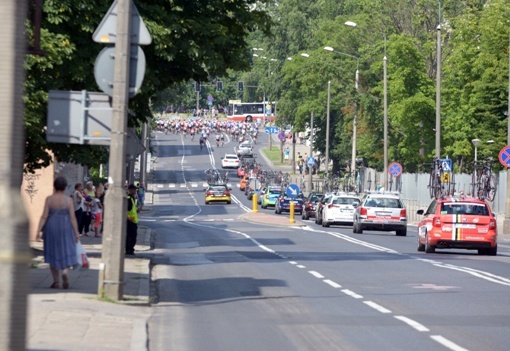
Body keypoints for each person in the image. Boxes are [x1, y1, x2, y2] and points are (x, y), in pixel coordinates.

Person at [35, 176, 80, 289]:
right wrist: (76, 232)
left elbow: (44, 216)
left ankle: (56, 281)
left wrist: (38, 231)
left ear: (54, 186)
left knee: (52, 251)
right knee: (66, 249)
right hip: (65, 227)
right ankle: (65, 271)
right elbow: (73, 218)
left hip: (51, 227)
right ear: (65, 187)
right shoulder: (68, 200)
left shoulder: (49, 199)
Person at [126, 184, 140, 255]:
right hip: (130, 221)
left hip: (133, 220)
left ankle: (130, 249)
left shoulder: (132, 198)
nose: (135, 191)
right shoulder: (129, 198)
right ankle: (129, 249)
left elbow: (132, 209)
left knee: (131, 236)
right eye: (134, 190)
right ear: (131, 190)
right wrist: (128, 217)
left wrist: (137, 211)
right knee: (131, 236)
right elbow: (125, 209)